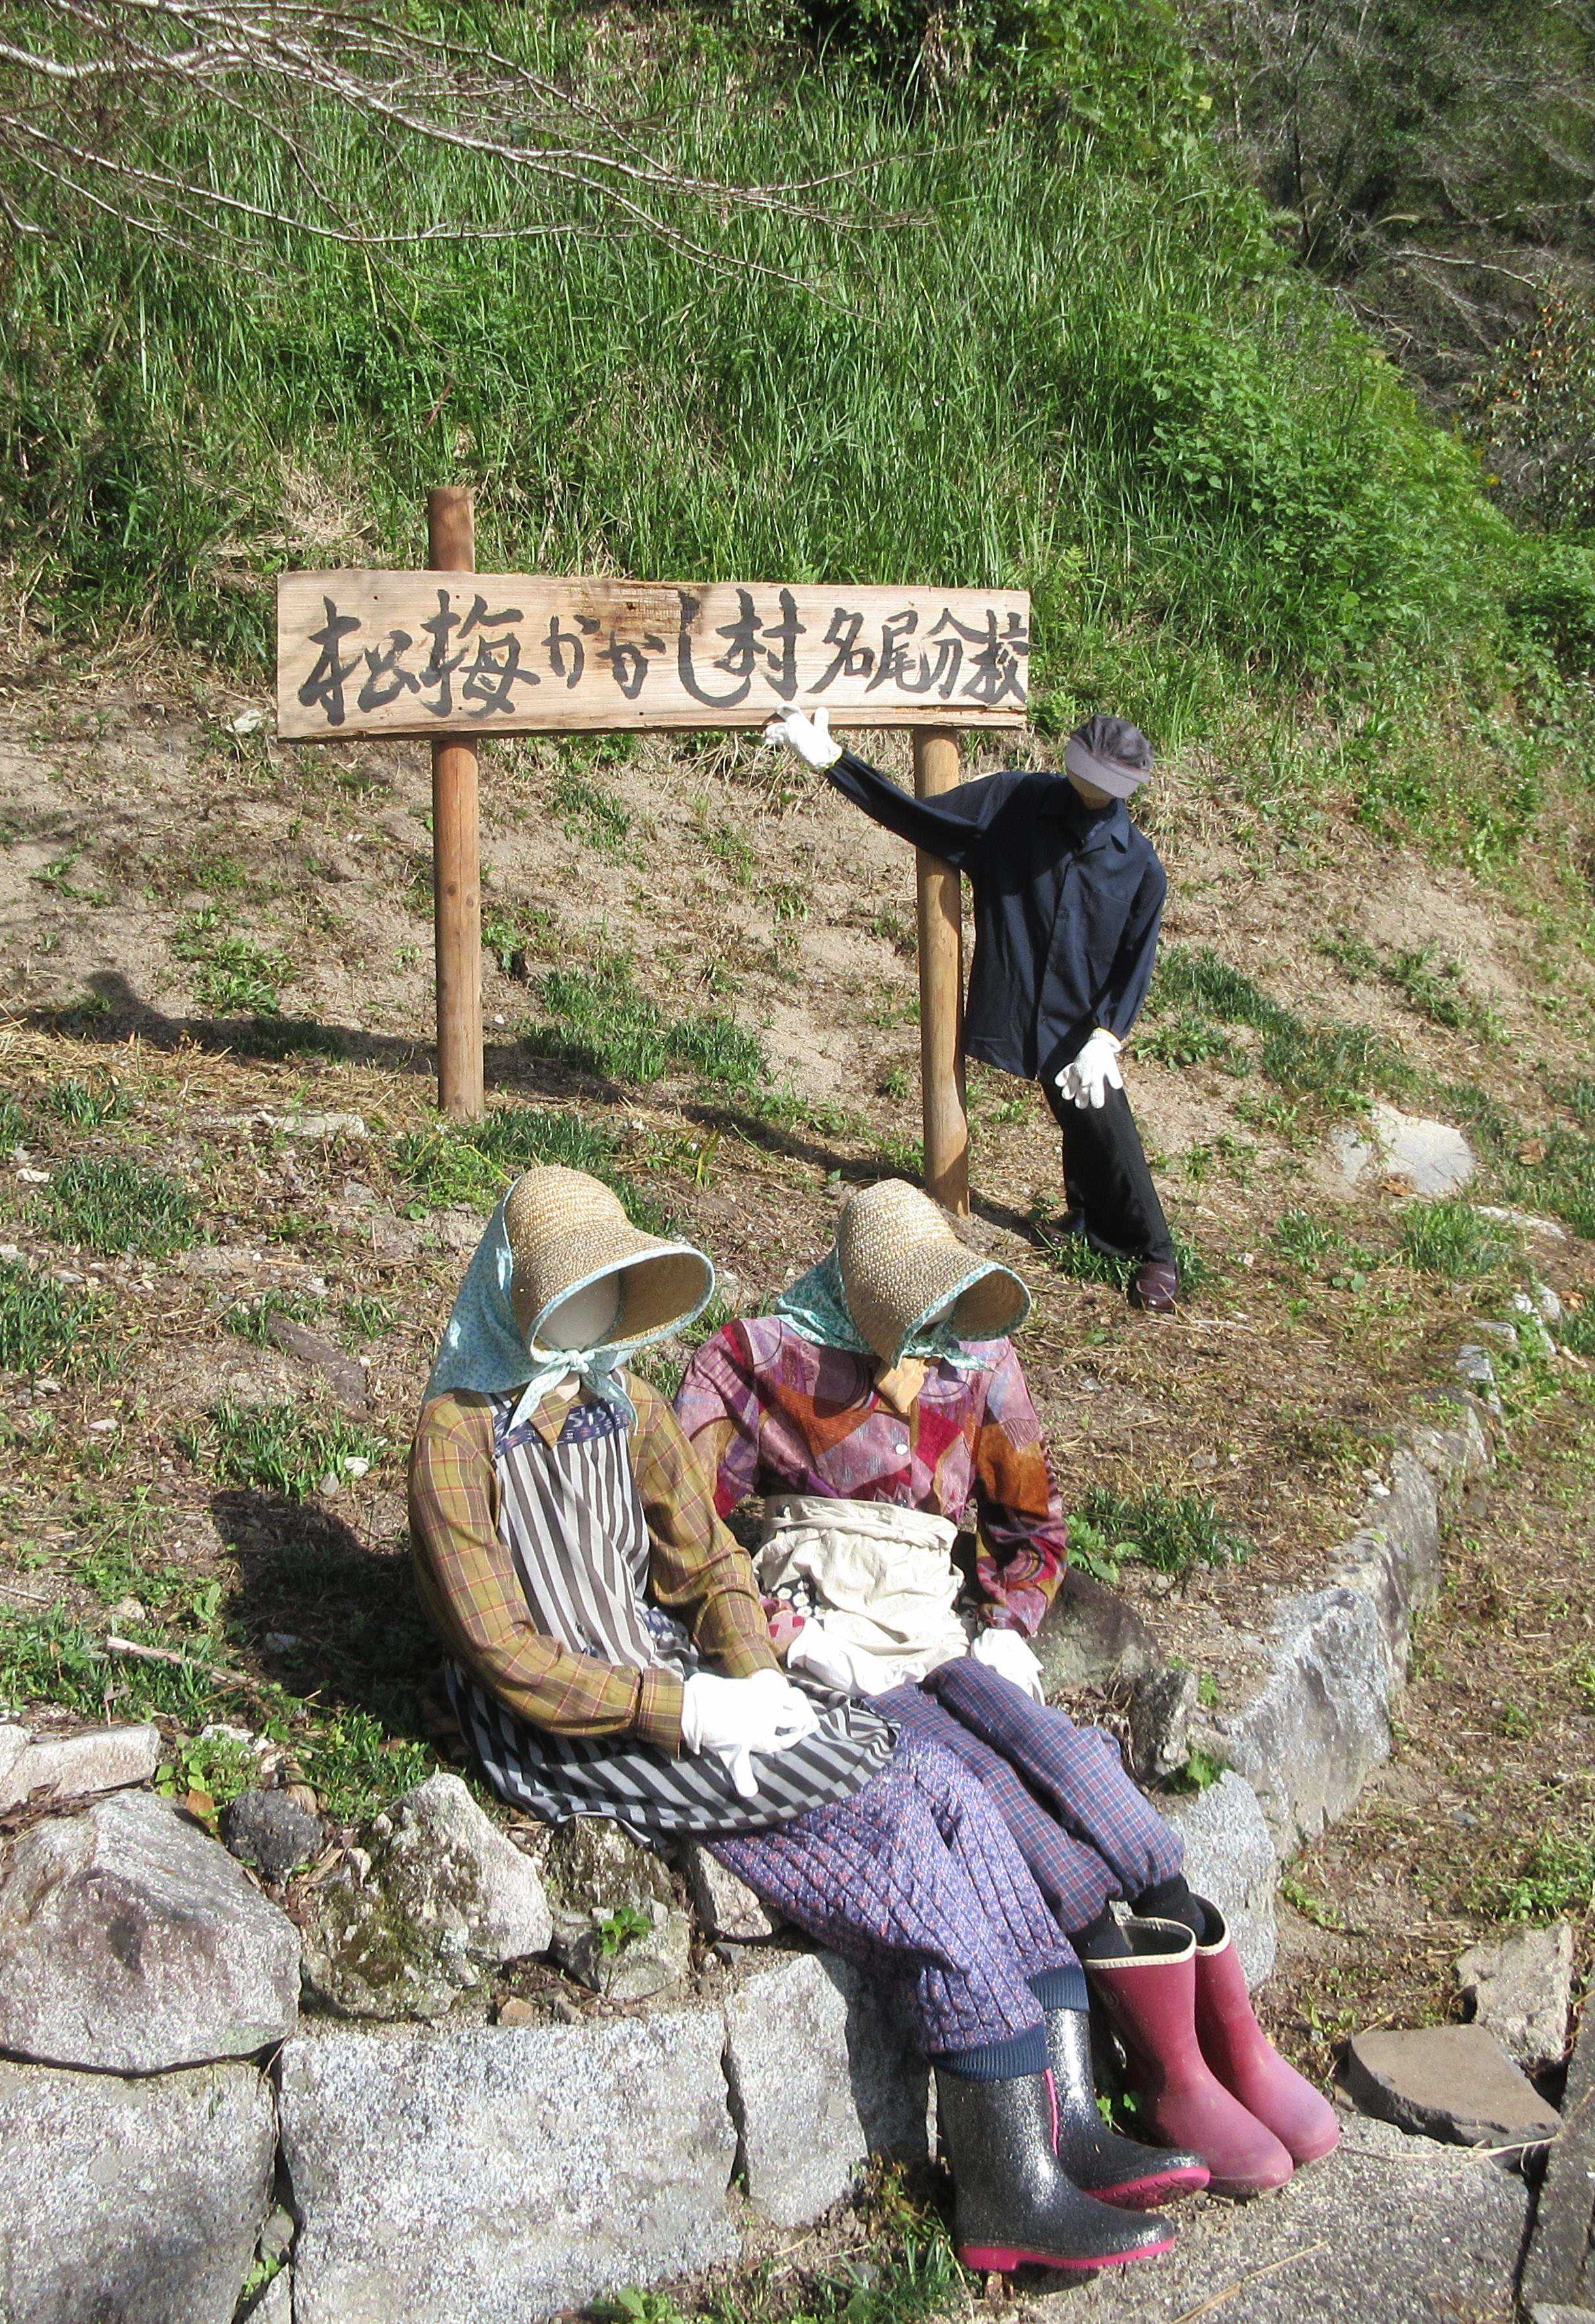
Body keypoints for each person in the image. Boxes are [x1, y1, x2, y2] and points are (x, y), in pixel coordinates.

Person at [403, 1164, 1193, 2271]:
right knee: (882, 1838)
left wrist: (749, 1668)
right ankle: (1005, 2184)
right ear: (514, 1295)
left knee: (941, 1784)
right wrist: (682, 1709)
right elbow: (499, 1647)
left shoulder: (618, 1403)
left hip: (669, 1665)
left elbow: (705, 1554)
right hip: (573, 1714)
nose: (593, 1321)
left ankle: (1060, 2119)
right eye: (570, 1294)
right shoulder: (456, 1436)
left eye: (607, 1291)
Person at [674, 1177, 1339, 2195]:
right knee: (982, 1797)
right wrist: (777, 1632)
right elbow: (684, 1529)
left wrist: (1010, 1629)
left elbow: (1032, 1526)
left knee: (1067, 1761)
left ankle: (1219, 2046)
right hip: (838, 1640)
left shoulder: (978, 1359)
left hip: (943, 1627)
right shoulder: (758, 1363)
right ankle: (1149, 2083)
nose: (929, 1338)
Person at [766, 706, 1181, 1314]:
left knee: (1103, 1117)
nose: (1093, 786)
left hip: (1081, 1013)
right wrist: (832, 761)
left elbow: (1133, 960)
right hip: (1021, 992)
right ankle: (1090, 1221)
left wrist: (1106, 1035)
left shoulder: (1139, 865)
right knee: (1075, 1115)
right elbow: (920, 818)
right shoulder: (1017, 801)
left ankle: (1155, 1251)